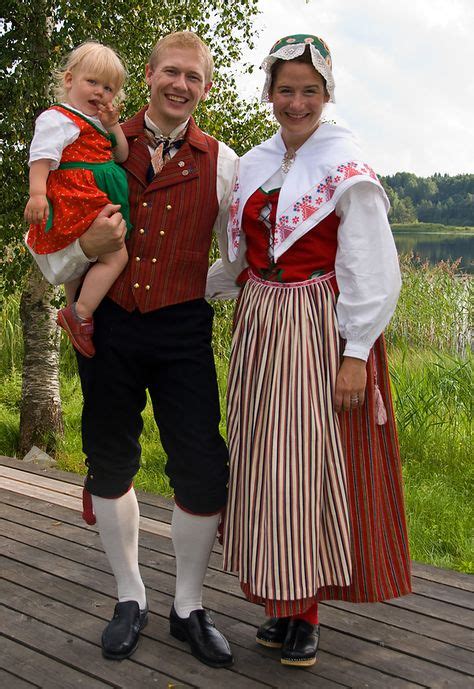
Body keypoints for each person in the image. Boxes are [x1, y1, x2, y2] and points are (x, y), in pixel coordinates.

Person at [27, 31, 236, 668]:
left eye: (193, 78)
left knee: (200, 467)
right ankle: (130, 595)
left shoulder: (222, 162)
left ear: (204, 87)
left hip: (181, 331)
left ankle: (189, 606)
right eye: (170, 72)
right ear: (148, 76)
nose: (181, 85)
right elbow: (43, 250)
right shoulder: (85, 139)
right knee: (111, 460)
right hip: (110, 327)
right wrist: (80, 254)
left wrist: (186, 287)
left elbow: (242, 256)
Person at [208, 34, 412, 668]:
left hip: (317, 327)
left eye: (309, 90)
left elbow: (372, 268)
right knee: (264, 466)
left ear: (327, 94)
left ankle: (308, 613)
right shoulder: (254, 162)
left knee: (309, 469)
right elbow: (237, 258)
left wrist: (356, 354)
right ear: (268, 93)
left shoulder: (345, 165)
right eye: (285, 90)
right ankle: (279, 604)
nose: (296, 102)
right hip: (261, 324)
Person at [25, 42, 132, 358]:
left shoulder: (99, 124)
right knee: (116, 256)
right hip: (78, 196)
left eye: (109, 88)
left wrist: (113, 125)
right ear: (69, 80)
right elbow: (41, 157)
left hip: (89, 196)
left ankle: (75, 309)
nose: (100, 92)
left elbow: (122, 154)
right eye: (92, 82)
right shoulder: (57, 118)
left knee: (81, 262)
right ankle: (80, 313)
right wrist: (37, 194)